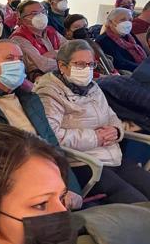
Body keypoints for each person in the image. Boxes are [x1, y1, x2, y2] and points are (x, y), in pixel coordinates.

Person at [0, 40, 83, 198]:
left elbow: (53, 146)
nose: (17, 64)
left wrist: (71, 188)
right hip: (10, 187)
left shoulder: (31, 99)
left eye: (19, 59)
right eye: (9, 58)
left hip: (48, 178)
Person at [34, 40, 149, 203]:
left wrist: (116, 131)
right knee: (138, 203)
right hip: (83, 163)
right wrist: (96, 137)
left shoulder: (93, 87)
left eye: (90, 64)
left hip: (112, 157)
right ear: (62, 66)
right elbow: (52, 136)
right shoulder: (49, 93)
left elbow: (111, 117)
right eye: (80, 64)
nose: (86, 69)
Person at [10, 0, 67, 81]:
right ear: (23, 19)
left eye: (43, 12)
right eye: (34, 13)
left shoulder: (50, 31)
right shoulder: (18, 38)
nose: (41, 15)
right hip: (40, 82)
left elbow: (71, 50)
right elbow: (43, 65)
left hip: (61, 76)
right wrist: (66, 61)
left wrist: (54, 53)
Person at [97, 7, 147, 72]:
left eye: (130, 20)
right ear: (110, 22)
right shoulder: (104, 40)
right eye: (122, 20)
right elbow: (120, 63)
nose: (128, 23)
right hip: (128, 75)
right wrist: (144, 68)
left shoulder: (130, 36)